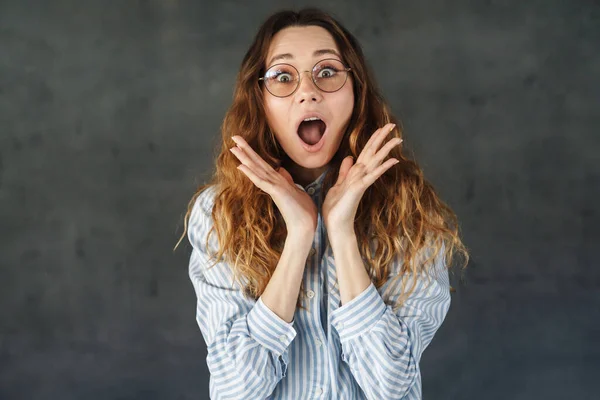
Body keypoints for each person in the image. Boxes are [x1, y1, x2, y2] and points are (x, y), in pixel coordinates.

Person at [175, 8, 469, 400]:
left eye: (327, 71)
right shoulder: (218, 214)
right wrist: (299, 235)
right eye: (283, 77)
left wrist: (341, 232)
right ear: (259, 101)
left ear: (356, 91)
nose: (307, 91)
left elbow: (391, 386)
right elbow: (236, 391)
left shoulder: (410, 211)